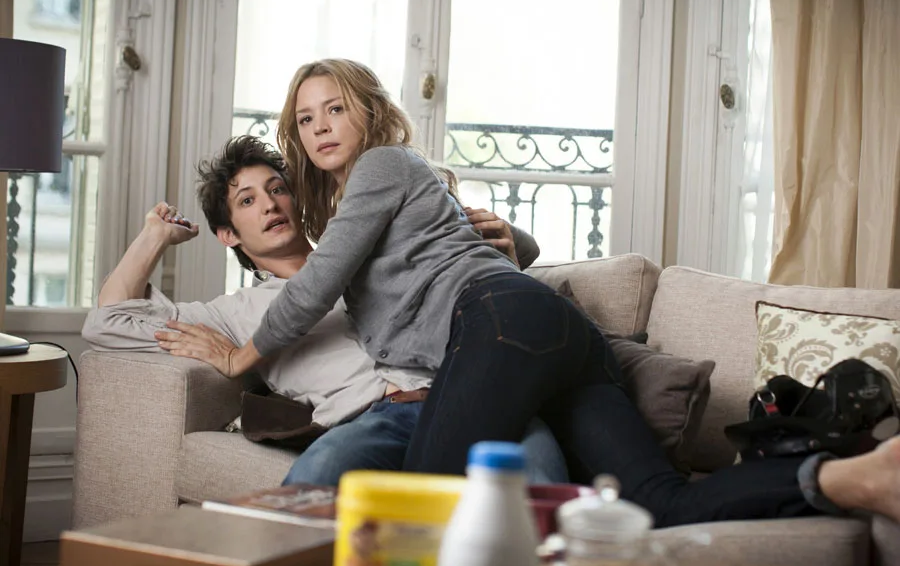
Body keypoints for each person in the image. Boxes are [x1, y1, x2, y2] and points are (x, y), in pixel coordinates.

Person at [166, 59, 900, 528]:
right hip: (552, 335)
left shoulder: (382, 166)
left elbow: (314, 288)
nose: (320, 126)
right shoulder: (393, 191)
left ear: (367, 110)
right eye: (305, 118)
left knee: (422, 495)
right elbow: (480, 249)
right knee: (659, 502)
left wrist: (239, 359)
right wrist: (516, 239)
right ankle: (851, 478)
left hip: (500, 322)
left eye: (335, 108)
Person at [82, 135, 569, 486]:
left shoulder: (370, 252)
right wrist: (154, 236)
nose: (269, 205)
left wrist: (509, 235)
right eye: (247, 201)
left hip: (472, 390)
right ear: (228, 235)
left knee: (542, 490)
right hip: (377, 418)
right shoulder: (234, 315)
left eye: (277, 189)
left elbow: (499, 264)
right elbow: (107, 322)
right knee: (308, 490)